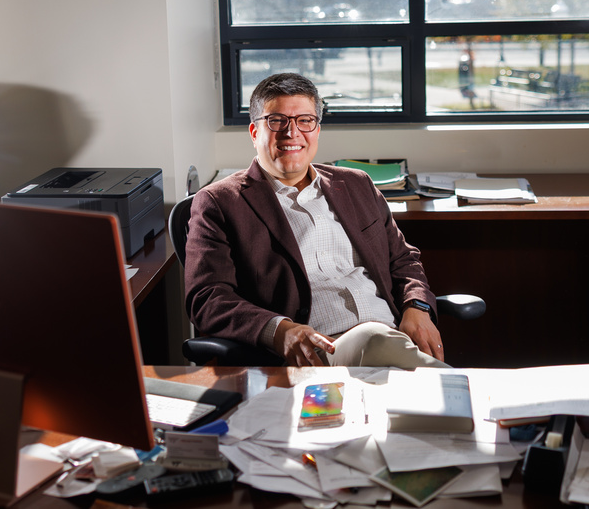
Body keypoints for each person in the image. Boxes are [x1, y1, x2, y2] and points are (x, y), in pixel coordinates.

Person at [183, 73, 446, 369]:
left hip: (395, 336)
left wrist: (417, 306)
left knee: (402, 399)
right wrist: (280, 330)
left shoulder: (356, 184)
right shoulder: (220, 202)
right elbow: (207, 297)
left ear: (317, 130)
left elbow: (402, 259)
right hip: (315, 351)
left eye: (305, 120)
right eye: (277, 120)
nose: (292, 132)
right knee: (387, 349)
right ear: (255, 132)